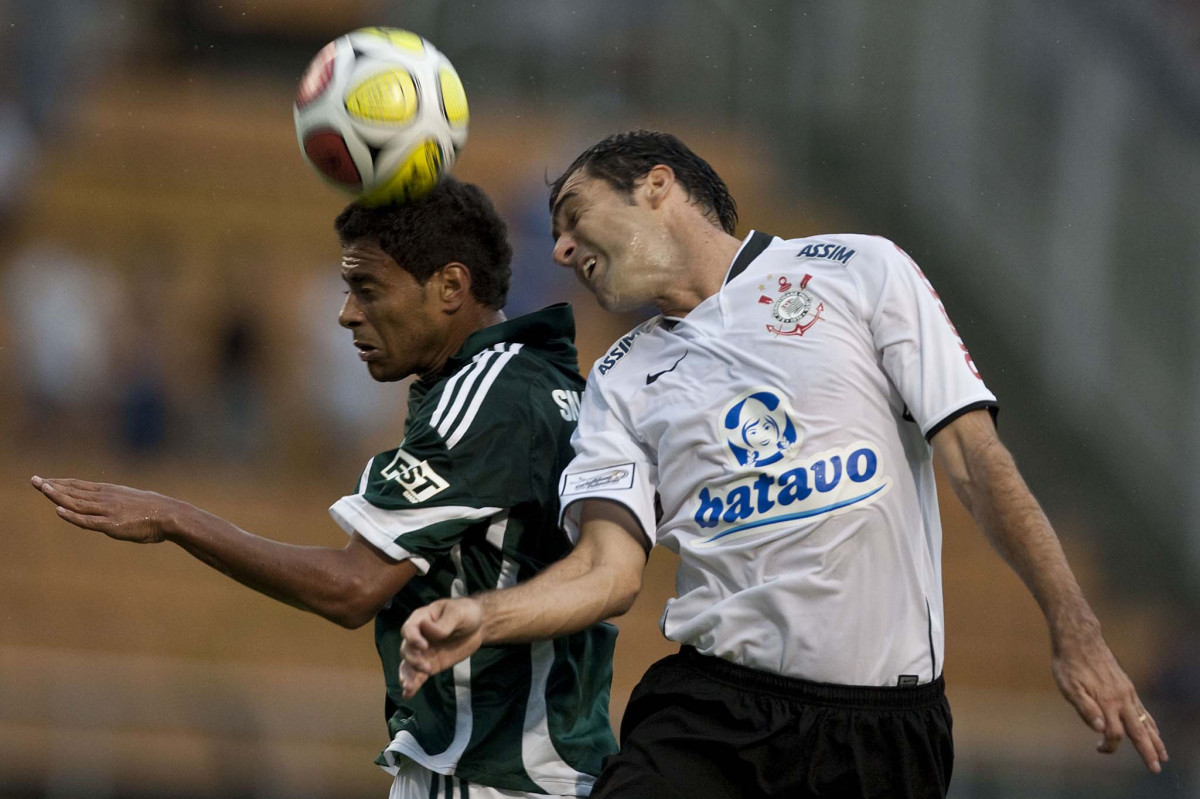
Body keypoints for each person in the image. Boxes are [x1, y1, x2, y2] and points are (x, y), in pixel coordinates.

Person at [395, 132, 1170, 798]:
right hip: (713, 715)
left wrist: (1075, 625)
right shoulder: (619, 379)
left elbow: (972, 456)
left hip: (885, 734)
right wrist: (486, 616)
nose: (561, 248)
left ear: (657, 186)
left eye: (574, 215)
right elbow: (609, 568)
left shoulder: (858, 271)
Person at [31, 178, 618, 799]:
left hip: (494, 776)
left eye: (368, 289)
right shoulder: (536, 381)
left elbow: (353, 587)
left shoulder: (491, 398)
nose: (347, 313)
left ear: (450, 287)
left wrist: (172, 517)